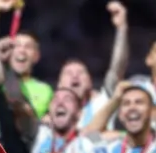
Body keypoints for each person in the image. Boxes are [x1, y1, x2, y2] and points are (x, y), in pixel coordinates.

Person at [55, 1, 129, 130]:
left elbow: (117, 68)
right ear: (59, 85)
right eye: (68, 73)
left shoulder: (103, 101)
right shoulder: (54, 112)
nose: (75, 76)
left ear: (90, 82)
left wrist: (122, 28)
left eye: (81, 72)